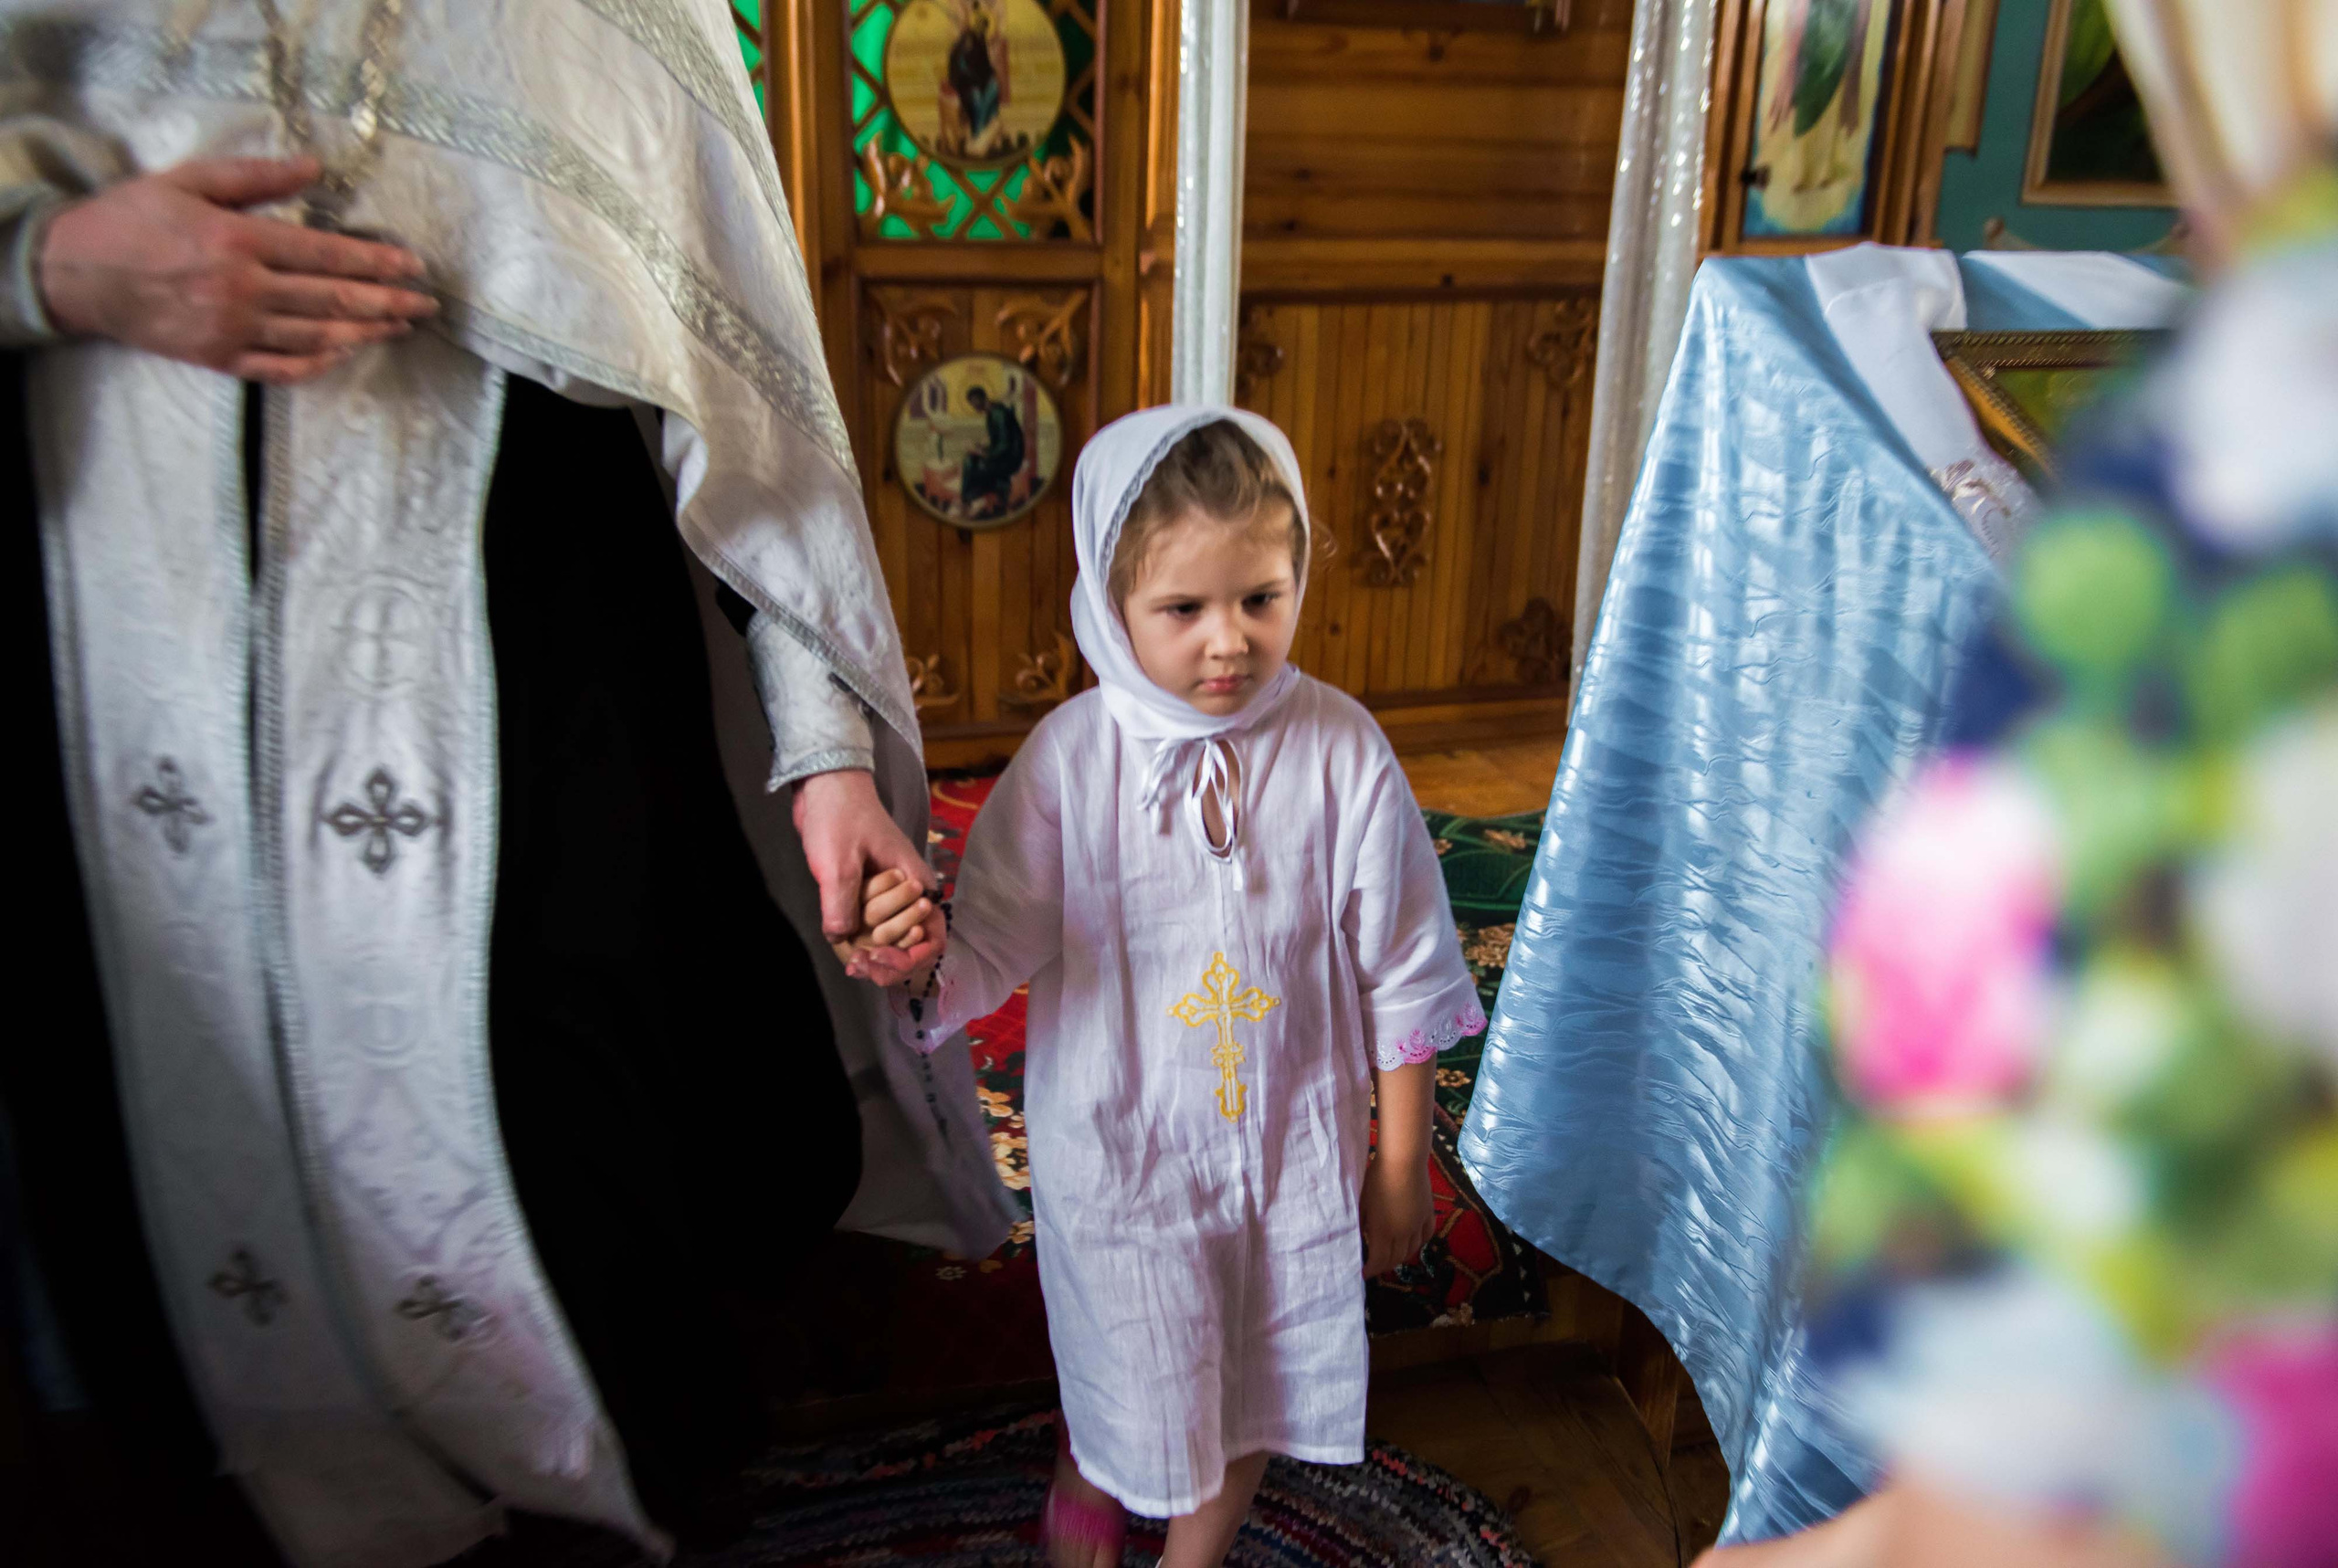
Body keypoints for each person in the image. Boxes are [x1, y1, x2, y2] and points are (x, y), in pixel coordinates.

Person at [0, 4, 1009, 1564]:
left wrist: (819, 745)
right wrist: (49, 263)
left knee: (595, 1239)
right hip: (115, 645)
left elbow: (733, 356)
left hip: (541, 675)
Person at [852, 407, 1487, 1568]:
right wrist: (916, 954)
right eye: (1182, 609)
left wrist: (1397, 1167)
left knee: (1248, 1381)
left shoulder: (1341, 751)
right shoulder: (1070, 762)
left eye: (1261, 595)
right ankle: (1088, 1467)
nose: (1229, 641)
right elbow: (985, 944)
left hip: (1287, 1153)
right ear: (1110, 599)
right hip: (1122, 1151)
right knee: (1137, 1360)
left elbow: (1404, 968)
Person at [959, 381, 1027, 518]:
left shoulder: (997, 414)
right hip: (1004, 456)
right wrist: (981, 447)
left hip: (1010, 460)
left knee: (969, 463)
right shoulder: (993, 412)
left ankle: (968, 499)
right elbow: (998, 440)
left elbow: (1005, 445)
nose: (973, 406)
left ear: (980, 399)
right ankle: (969, 499)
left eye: (973, 402)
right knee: (971, 459)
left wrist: (981, 452)